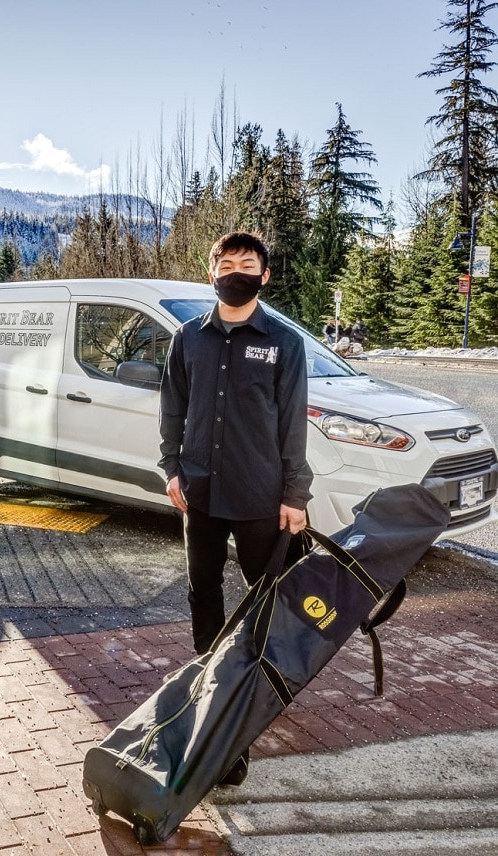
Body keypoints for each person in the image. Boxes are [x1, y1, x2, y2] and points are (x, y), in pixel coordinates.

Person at [158, 231, 313, 781]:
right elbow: (172, 410)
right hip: (200, 493)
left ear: (264, 275)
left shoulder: (284, 343)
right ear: (211, 272)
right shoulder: (187, 340)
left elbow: (293, 424)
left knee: (264, 603)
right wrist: (170, 466)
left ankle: (252, 698)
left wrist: (296, 493)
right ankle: (211, 704)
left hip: (260, 497)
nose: (236, 271)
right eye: (226, 263)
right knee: (204, 598)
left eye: (247, 263)